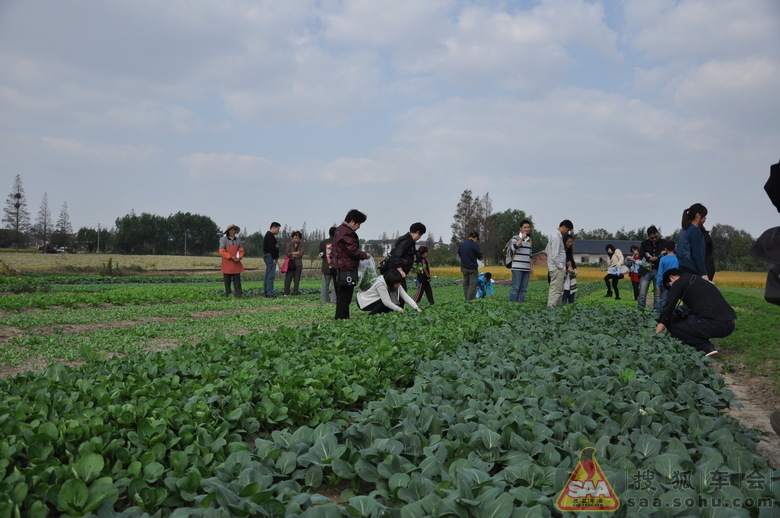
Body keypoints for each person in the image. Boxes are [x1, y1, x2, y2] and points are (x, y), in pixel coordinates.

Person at [655, 268, 737, 357]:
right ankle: (701, 343)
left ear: (672, 277)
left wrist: (657, 335)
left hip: (712, 324)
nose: (671, 288)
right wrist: (676, 332)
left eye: (670, 285)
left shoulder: (679, 283)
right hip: (729, 324)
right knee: (684, 320)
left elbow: (668, 309)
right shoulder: (698, 280)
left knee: (670, 321)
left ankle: (705, 347)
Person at [331, 209, 370, 319]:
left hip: (337, 266)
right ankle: (341, 319)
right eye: (359, 224)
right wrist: (365, 255)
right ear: (352, 222)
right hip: (345, 267)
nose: (359, 227)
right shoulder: (347, 232)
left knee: (342, 296)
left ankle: (343, 318)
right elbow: (352, 251)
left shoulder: (339, 229)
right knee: (345, 296)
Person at [383, 222, 426, 304]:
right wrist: (400, 269)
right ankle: (396, 311)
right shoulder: (406, 241)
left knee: (397, 293)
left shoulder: (409, 240)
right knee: (400, 294)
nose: (419, 237)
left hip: (396, 271)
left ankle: (395, 310)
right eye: (420, 235)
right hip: (395, 272)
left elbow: (405, 256)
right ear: (417, 232)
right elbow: (397, 256)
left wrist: (411, 264)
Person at [357, 268, 421, 314]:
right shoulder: (380, 284)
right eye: (397, 283)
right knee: (385, 302)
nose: (399, 285)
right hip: (364, 301)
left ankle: (385, 314)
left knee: (398, 300)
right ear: (391, 282)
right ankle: (372, 315)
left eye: (399, 282)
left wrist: (416, 307)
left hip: (375, 299)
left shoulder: (394, 282)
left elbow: (405, 296)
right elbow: (386, 302)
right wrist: (400, 310)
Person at [545, 220, 574, 308]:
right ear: (563, 227)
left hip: (555, 267)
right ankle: (551, 307)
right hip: (557, 268)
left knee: (559, 290)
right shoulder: (556, 237)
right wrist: (561, 267)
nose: (567, 232)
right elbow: (554, 255)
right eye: (567, 230)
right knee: (556, 290)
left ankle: (556, 307)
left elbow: (546, 250)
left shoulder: (556, 236)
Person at [677, 203, 709, 280]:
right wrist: (704, 273)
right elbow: (697, 254)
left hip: (682, 267)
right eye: (704, 216)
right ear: (698, 215)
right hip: (691, 271)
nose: (705, 219)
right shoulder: (695, 231)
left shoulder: (684, 230)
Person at [638, 226, 664, 310]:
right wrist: (649, 258)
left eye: (656, 237)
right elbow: (641, 255)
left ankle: (657, 312)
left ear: (658, 233)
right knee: (642, 292)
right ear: (648, 236)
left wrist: (659, 257)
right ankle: (640, 311)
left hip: (658, 270)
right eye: (652, 238)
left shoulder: (664, 242)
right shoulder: (644, 243)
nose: (654, 239)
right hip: (646, 271)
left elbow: (670, 252)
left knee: (658, 294)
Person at [508, 220, 534, 303]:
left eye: (528, 227)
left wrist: (531, 267)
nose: (527, 229)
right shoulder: (515, 238)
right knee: (515, 287)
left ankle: (520, 305)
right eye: (525, 227)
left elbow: (530, 255)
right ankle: (511, 304)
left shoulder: (530, 240)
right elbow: (513, 248)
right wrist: (521, 238)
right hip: (517, 267)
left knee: (523, 289)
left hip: (526, 268)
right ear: (521, 228)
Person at [219, 224, 244, 298]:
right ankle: (228, 295)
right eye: (231, 230)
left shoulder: (238, 240)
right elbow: (222, 251)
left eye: (234, 230)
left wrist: (239, 257)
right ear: (228, 231)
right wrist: (230, 257)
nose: (232, 231)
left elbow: (241, 250)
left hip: (236, 263)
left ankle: (239, 295)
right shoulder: (223, 240)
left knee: (237, 281)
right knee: (227, 282)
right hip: (227, 263)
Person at [458, 231, 483, 301]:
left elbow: (459, 254)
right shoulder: (474, 245)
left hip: (464, 267)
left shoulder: (462, 244)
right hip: (472, 268)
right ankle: (470, 301)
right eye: (476, 239)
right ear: (475, 238)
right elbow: (479, 256)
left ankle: (466, 299)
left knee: (466, 284)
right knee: (472, 284)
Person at [655, 241, 678, 311]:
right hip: (675, 281)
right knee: (673, 299)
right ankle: (672, 314)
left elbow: (660, 273)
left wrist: (658, 284)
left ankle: (663, 315)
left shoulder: (663, 259)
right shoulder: (678, 258)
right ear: (674, 248)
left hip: (665, 281)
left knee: (663, 299)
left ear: (665, 249)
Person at [283, 230, 305, 296]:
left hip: (298, 264)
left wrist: (292, 254)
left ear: (300, 238)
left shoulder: (302, 245)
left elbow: (300, 253)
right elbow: (287, 253)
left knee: (297, 280)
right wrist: (294, 253)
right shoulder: (289, 245)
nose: (296, 239)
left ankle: (295, 293)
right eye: (295, 238)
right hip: (290, 264)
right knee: (288, 279)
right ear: (292, 238)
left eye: (298, 238)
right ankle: (286, 293)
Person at [263, 222, 281, 298]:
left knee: (267, 275)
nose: (278, 231)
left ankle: (266, 292)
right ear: (273, 227)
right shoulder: (270, 236)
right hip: (270, 256)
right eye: (278, 229)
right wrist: (275, 257)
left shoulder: (269, 236)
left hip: (268, 256)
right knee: (271, 275)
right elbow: (272, 248)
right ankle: (270, 293)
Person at [318, 226, 337, 303]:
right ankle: (334, 300)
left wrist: (325, 258)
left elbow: (320, 254)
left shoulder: (323, 242)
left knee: (325, 284)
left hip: (326, 266)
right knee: (334, 284)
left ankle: (324, 300)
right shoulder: (338, 242)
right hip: (336, 266)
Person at [562, 235, 577, 304]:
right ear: (565, 242)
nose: (570, 244)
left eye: (571, 242)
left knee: (572, 297)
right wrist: (567, 268)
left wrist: (575, 268)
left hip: (570, 278)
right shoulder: (562, 250)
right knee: (563, 296)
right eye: (568, 242)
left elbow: (572, 259)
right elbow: (561, 261)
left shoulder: (569, 250)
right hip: (564, 274)